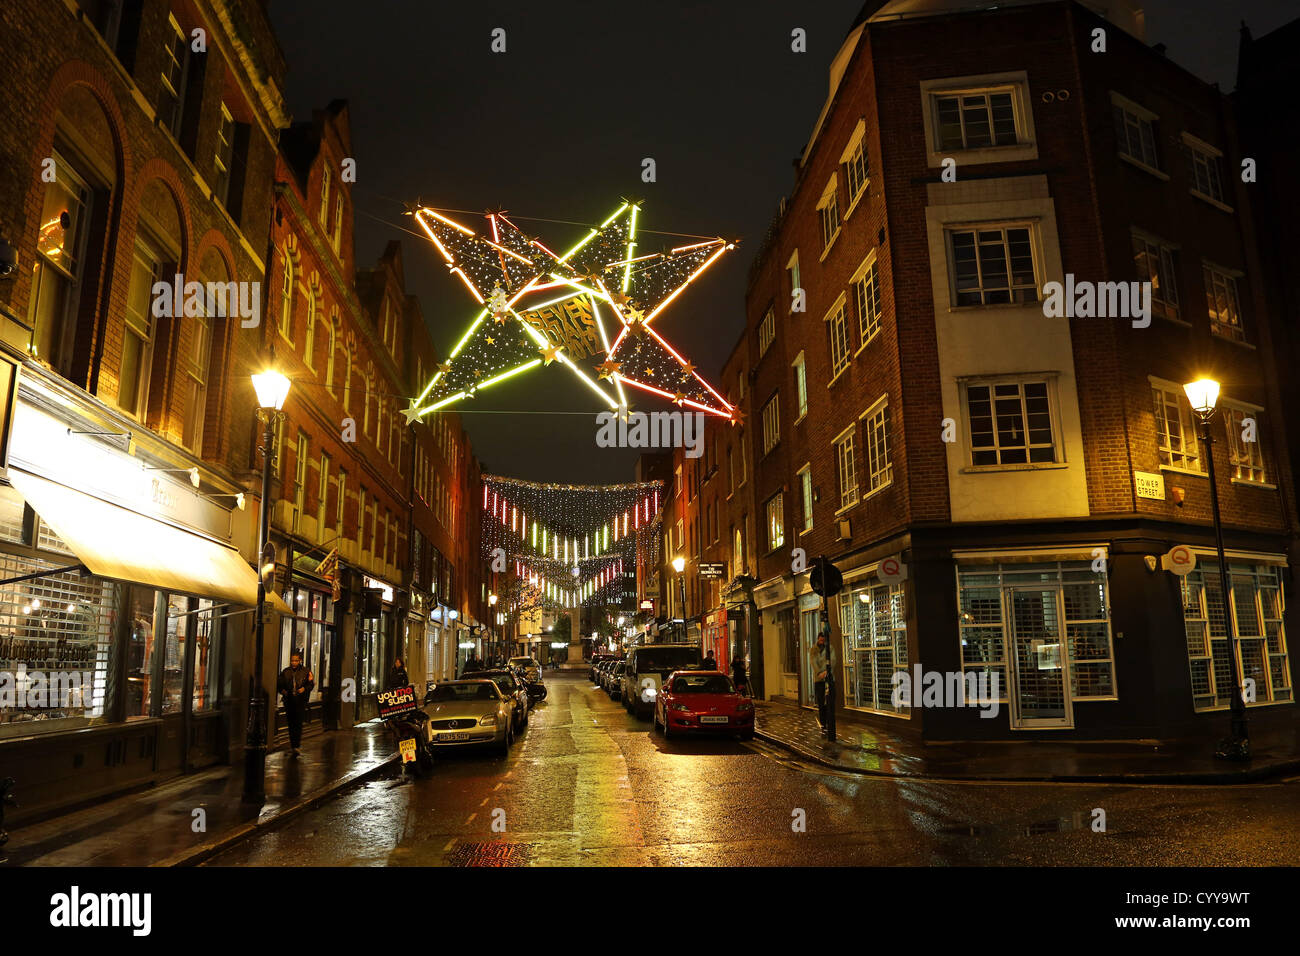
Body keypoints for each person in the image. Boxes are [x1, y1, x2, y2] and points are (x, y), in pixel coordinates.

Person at [276, 651, 314, 756]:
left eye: (296, 661)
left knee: (298, 723)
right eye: (292, 660)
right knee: (291, 723)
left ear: (300, 661)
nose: (294, 663)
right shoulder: (286, 672)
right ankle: (293, 745)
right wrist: (283, 691)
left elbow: (311, 685)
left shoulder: (306, 671)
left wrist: (304, 689)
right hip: (289, 701)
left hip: (300, 701)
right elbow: (279, 684)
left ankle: (296, 745)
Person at [811, 628, 835, 732]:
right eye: (820, 640)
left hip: (828, 679)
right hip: (818, 679)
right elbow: (813, 662)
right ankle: (823, 723)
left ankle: (830, 722)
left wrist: (826, 672)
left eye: (823, 641)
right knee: (821, 702)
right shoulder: (813, 649)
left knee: (829, 701)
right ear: (818, 639)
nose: (821, 642)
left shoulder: (830, 648)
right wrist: (820, 673)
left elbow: (832, 661)